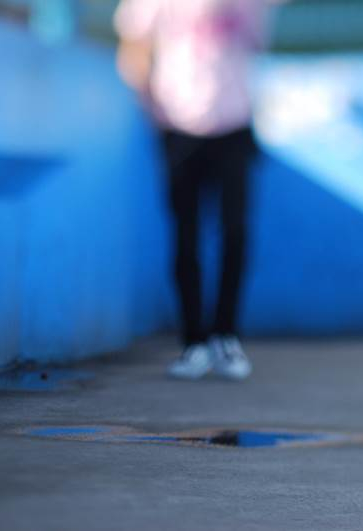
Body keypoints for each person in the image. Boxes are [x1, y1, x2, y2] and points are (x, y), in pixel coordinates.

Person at [114, 0, 282, 380]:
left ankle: (226, 335)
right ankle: (194, 342)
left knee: (235, 230)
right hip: (178, 127)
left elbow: (259, 39)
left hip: (234, 126)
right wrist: (153, 107)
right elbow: (133, 47)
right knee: (185, 234)